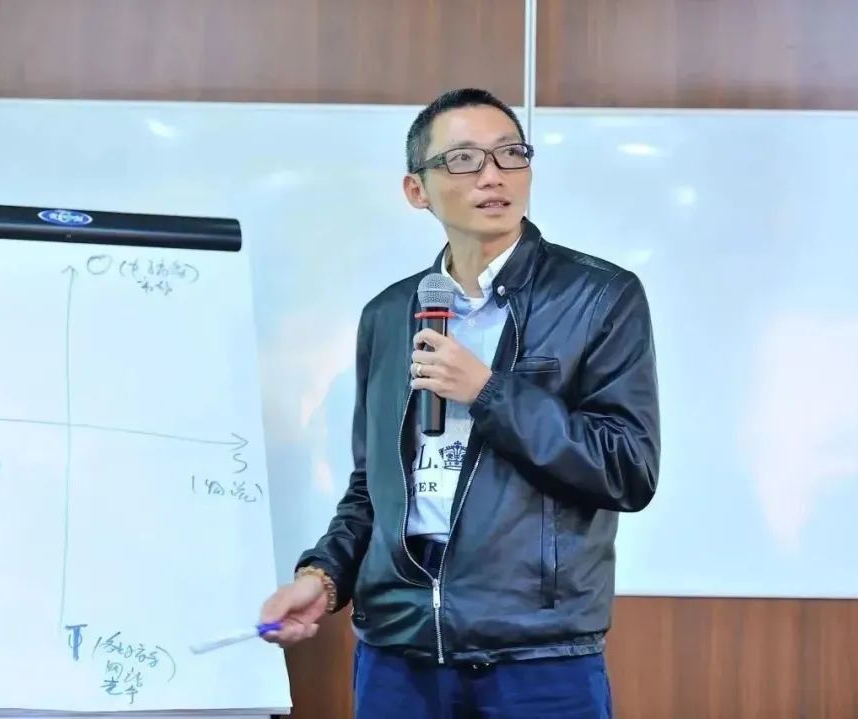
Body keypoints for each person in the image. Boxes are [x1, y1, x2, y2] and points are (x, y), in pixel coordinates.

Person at [259, 87, 660, 718]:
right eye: (464, 159)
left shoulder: (598, 298)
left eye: (510, 154)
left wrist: (489, 392)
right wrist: (323, 578)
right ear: (416, 190)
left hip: (538, 654)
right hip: (398, 651)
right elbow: (373, 489)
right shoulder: (390, 314)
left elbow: (627, 467)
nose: (493, 175)